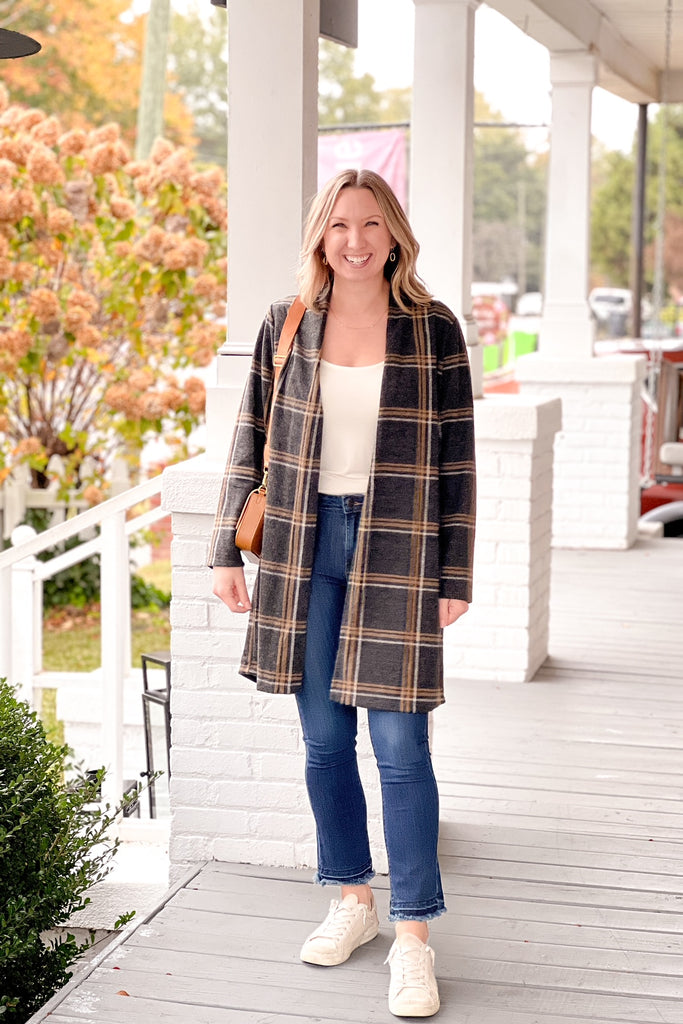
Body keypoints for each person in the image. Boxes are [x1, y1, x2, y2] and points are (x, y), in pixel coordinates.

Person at [210, 168, 476, 1018]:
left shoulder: (432, 328)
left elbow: (458, 461)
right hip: (301, 545)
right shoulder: (285, 323)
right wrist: (225, 553)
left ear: (393, 234)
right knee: (325, 742)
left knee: (401, 748)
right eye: (338, 226)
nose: (354, 241)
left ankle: (412, 936)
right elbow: (248, 441)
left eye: (369, 224)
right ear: (319, 238)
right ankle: (352, 898)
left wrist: (455, 574)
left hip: (399, 546)